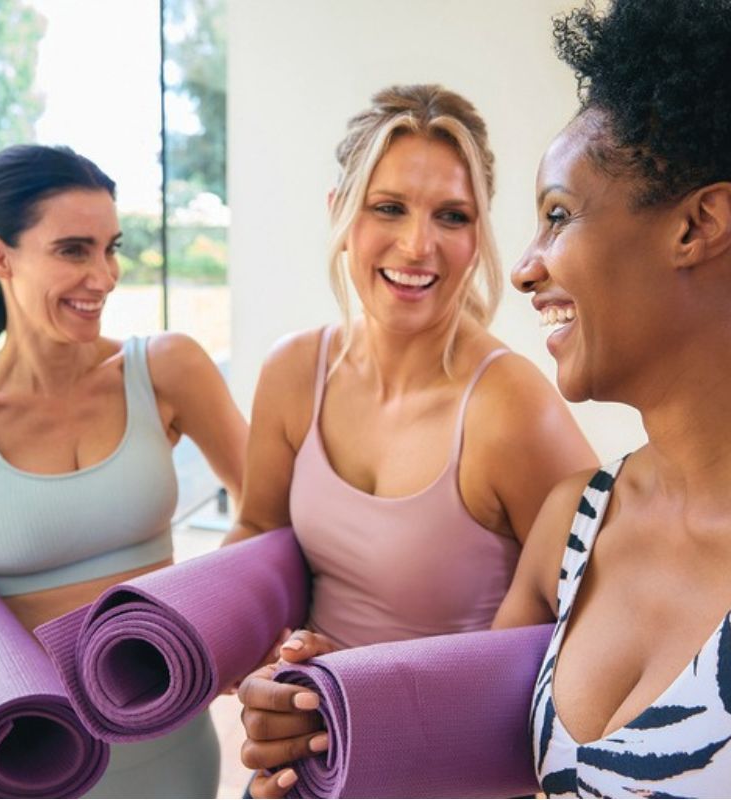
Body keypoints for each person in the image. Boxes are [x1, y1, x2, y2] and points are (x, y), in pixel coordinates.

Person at [226, 84, 598, 797]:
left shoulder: (511, 407)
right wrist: (243, 657)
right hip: (308, 761)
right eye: (388, 206)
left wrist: (371, 697)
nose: (417, 244)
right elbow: (257, 530)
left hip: (450, 775)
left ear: (479, 235)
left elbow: (590, 631)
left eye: (451, 216)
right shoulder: (294, 370)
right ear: (340, 212)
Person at [494, 1, 731, 797]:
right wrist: (325, 709)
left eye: (557, 215)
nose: (523, 268)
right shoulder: (574, 521)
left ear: (699, 225)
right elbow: (463, 740)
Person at [0, 144, 247, 798]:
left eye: (110, 247)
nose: (105, 275)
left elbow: (270, 512)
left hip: (173, 743)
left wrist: (228, 627)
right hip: (32, 768)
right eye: (73, 250)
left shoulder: (166, 368)